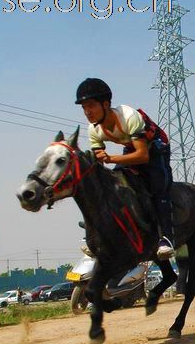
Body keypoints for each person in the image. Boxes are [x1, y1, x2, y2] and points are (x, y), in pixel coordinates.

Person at [75, 78, 176, 259]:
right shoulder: (93, 130)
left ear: (105, 104)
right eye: (84, 107)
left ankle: (166, 238)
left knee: (159, 188)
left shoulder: (129, 116)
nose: (87, 112)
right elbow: (100, 162)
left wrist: (111, 158)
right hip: (132, 149)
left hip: (155, 148)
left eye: (91, 106)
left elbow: (143, 156)